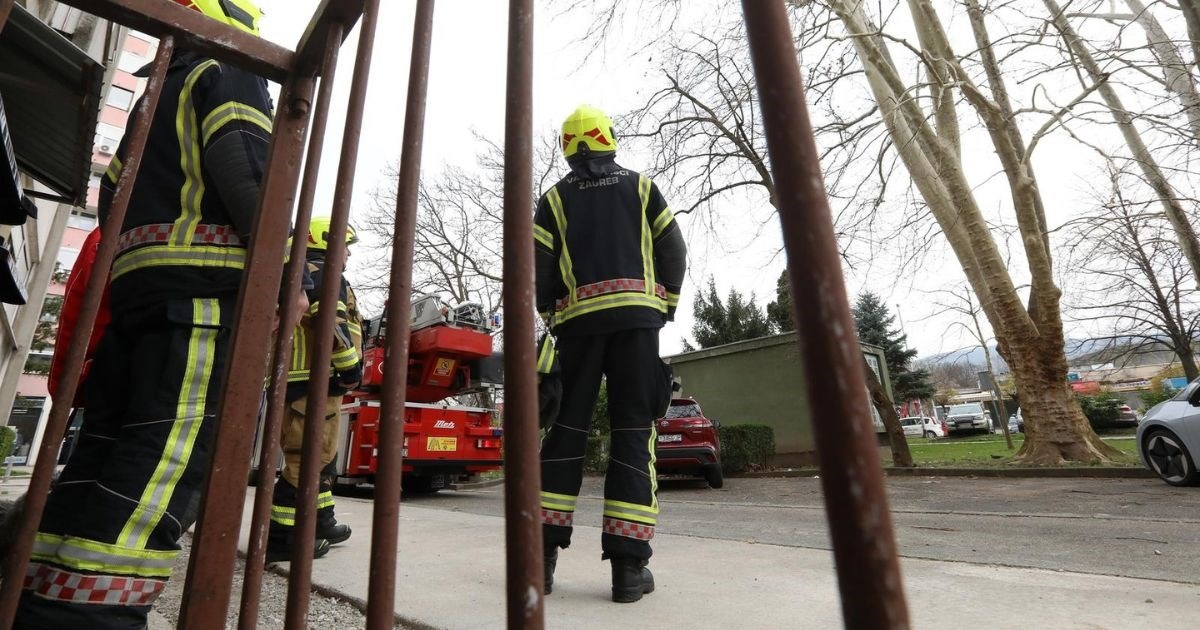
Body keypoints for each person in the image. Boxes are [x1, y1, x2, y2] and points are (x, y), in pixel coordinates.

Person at [14, 2, 312, 628]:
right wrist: (292, 275)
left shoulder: (154, 96)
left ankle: (39, 595)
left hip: (135, 303)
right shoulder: (227, 67)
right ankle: (91, 619)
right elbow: (251, 171)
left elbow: (109, 202)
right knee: (164, 464)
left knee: (102, 458)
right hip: (199, 301)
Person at [535, 104, 687, 603]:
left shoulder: (553, 199)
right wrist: (665, 304)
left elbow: (539, 267)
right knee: (632, 434)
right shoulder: (642, 187)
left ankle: (542, 561)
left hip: (578, 327)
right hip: (638, 325)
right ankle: (628, 569)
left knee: (565, 432)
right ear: (608, 140)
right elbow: (674, 250)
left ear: (567, 146)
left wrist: (552, 315)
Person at [266, 217, 363, 562]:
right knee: (303, 459)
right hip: (311, 381)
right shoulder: (324, 274)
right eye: (346, 244)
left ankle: (321, 522)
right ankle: (282, 538)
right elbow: (330, 324)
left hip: (310, 382)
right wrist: (351, 367)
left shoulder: (309, 273)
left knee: (321, 459)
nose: (349, 253)